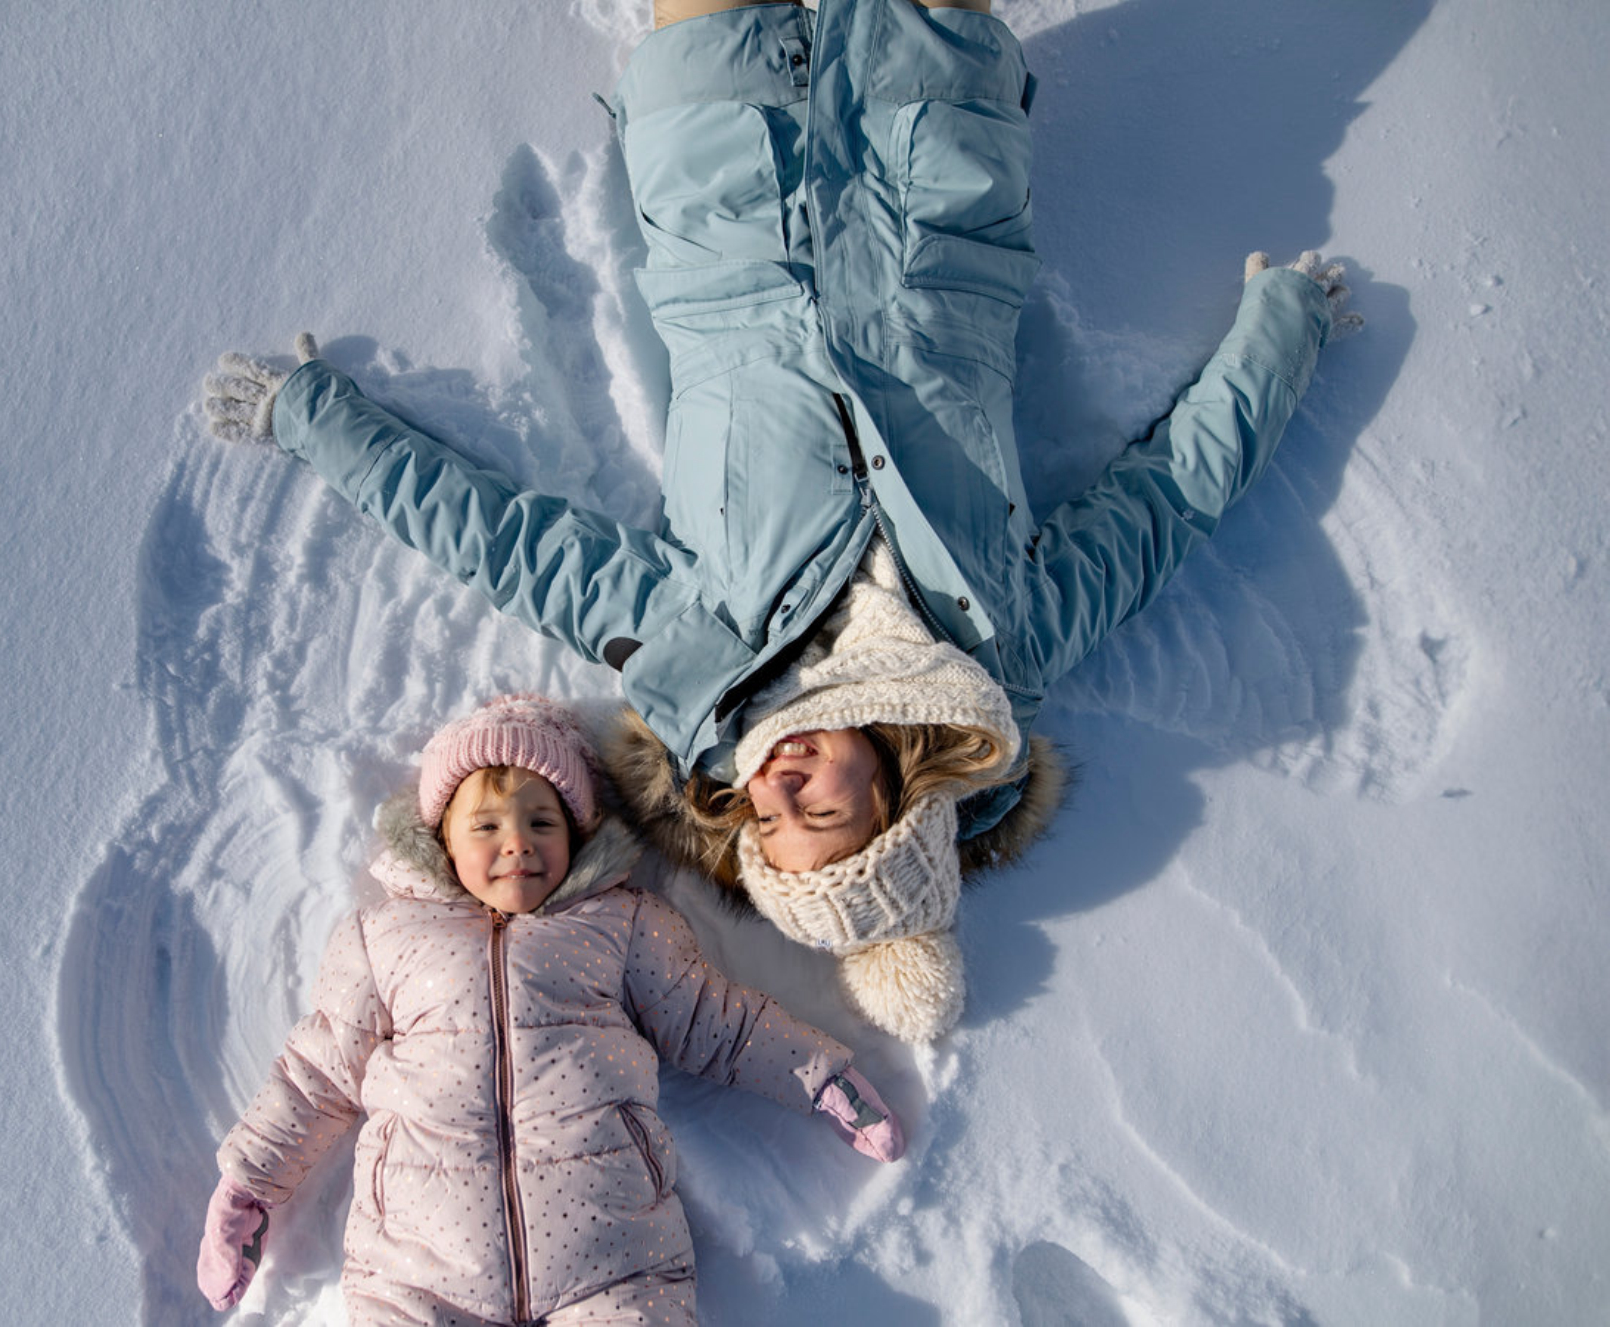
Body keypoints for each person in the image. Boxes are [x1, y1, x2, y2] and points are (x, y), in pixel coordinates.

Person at [200, 0, 1358, 1042]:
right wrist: (1284, 331)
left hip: (723, 209)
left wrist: (316, 421)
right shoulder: (1007, 647)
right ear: (896, 807)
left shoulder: (695, 658)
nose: (777, 790)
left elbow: (502, 543)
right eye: (821, 816)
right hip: (937, 204)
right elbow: (1170, 499)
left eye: (768, 825)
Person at [195, 694, 904, 1323]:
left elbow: (716, 1020)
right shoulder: (385, 935)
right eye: (487, 826)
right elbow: (318, 1071)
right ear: (442, 838)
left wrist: (820, 1076)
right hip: (419, 1269)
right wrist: (247, 1188)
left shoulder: (623, 924)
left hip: (612, 1257)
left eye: (542, 820)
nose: (518, 843)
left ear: (576, 834)